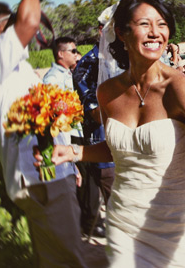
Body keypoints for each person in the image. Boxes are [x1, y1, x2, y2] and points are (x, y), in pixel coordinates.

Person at [44, 0, 185, 267]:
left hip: (177, 224)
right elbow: (121, 150)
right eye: (144, 24)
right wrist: (74, 152)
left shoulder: (180, 88)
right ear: (122, 33)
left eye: (162, 25)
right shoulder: (107, 93)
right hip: (123, 221)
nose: (155, 33)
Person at [0, 0, 95, 267]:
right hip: (38, 174)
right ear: (0, 29)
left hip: (48, 168)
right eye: (10, 26)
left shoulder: (11, 68)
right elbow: (29, 21)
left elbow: (44, 119)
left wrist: (68, 164)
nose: (19, 34)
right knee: (67, 259)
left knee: (55, 254)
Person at [72, 23, 115, 239]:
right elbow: (95, 114)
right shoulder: (87, 65)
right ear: (101, 30)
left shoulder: (123, 57)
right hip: (106, 151)